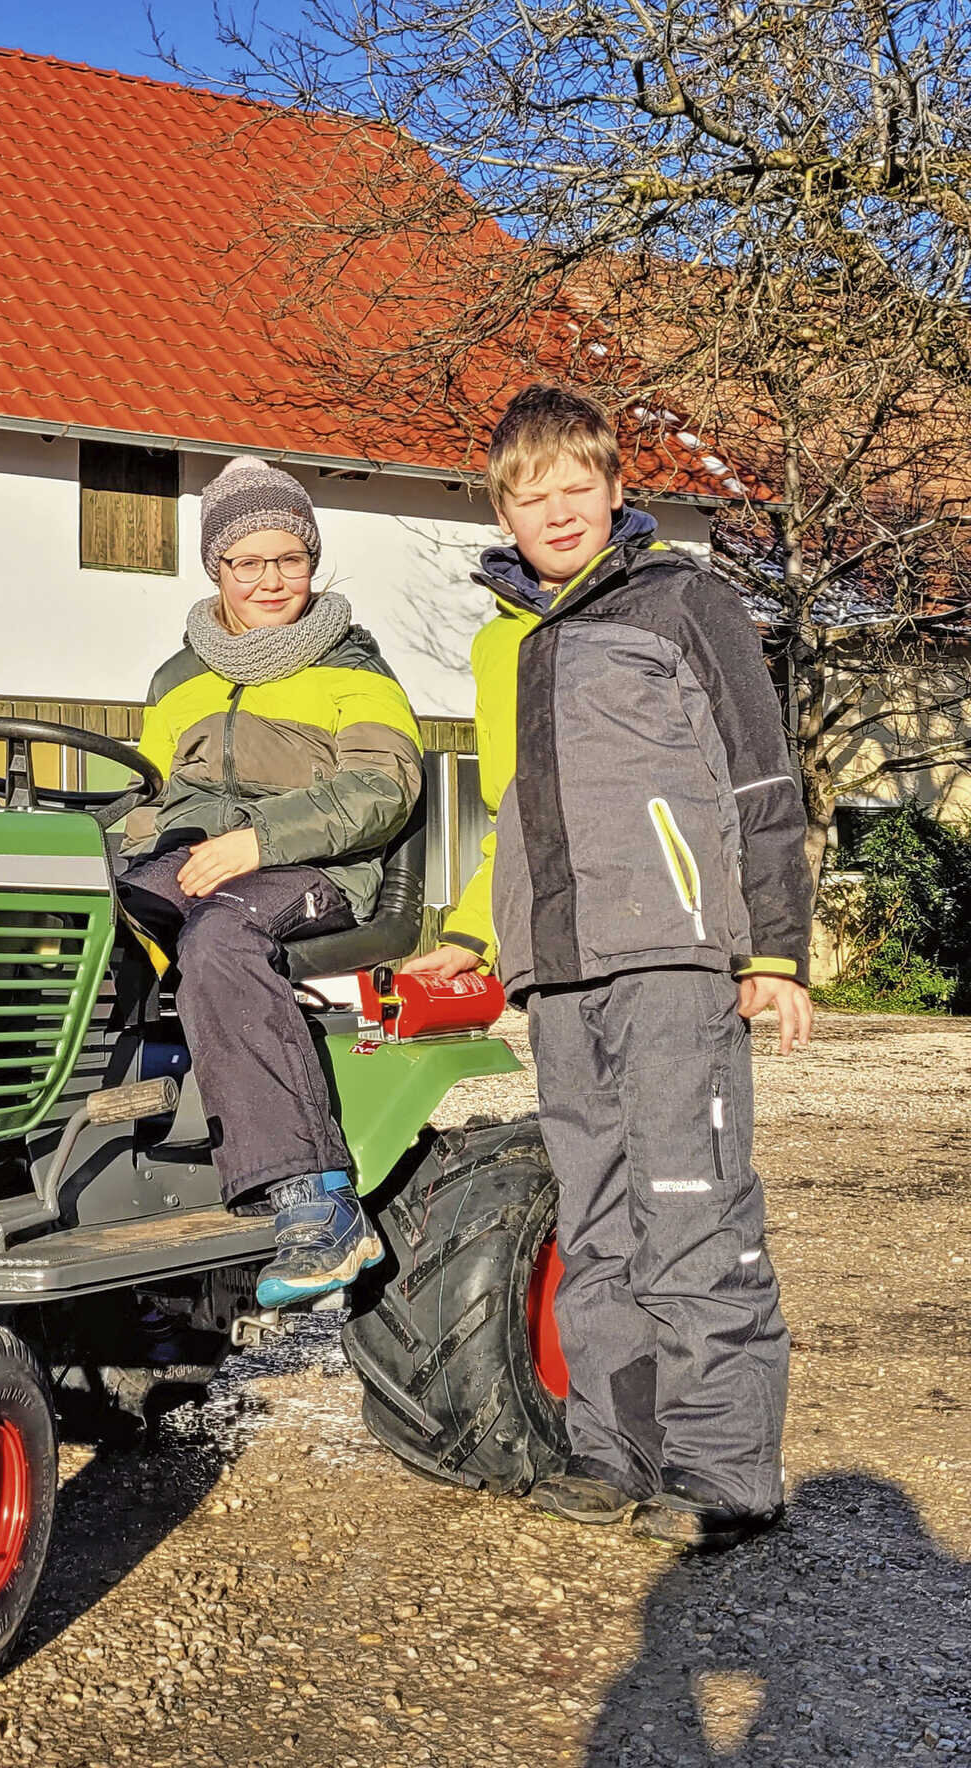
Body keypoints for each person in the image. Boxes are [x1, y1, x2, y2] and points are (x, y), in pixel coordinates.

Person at [402, 384, 814, 1549]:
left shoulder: (685, 600)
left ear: (615, 489)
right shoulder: (503, 641)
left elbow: (757, 780)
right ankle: (608, 1453)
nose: (556, 512)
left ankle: (725, 1472)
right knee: (592, 1223)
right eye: (530, 497)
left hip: (676, 954)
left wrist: (773, 951)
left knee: (690, 1204)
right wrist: (476, 937)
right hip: (560, 970)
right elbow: (511, 818)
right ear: (503, 510)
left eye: (575, 489)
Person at [120, 455, 422, 1307]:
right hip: (200, 863)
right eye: (247, 562)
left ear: (313, 561)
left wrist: (262, 839)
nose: (270, 580)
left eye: (289, 558)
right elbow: (151, 800)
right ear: (216, 567)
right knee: (100, 920)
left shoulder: (354, 665)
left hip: (316, 870)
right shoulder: (176, 679)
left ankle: (317, 1198)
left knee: (220, 938)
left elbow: (383, 786)